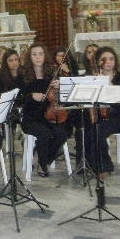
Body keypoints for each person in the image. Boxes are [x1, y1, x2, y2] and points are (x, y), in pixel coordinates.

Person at [84, 47, 120, 178]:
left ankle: (104, 167)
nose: (108, 62)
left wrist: (108, 82)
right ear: (98, 61)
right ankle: (91, 165)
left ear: (115, 61)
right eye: (104, 59)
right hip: (101, 117)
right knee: (89, 129)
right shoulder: (94, 77)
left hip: (119, 118)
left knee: (98, 130)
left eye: (111, 59)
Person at [20, 43, 71, 177]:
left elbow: (60, 97)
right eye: (34, 54)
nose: (38, 57)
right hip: (30, 118)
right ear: (30, 57)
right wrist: (31, 96)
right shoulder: (23, 74)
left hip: (49, 115)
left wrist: (60, 86)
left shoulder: (51, 74)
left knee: (62, 134)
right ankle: (42, 165)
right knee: (44, 133)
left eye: (40, 54)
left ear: (45, 56)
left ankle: (41, 158)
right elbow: (17, 98)